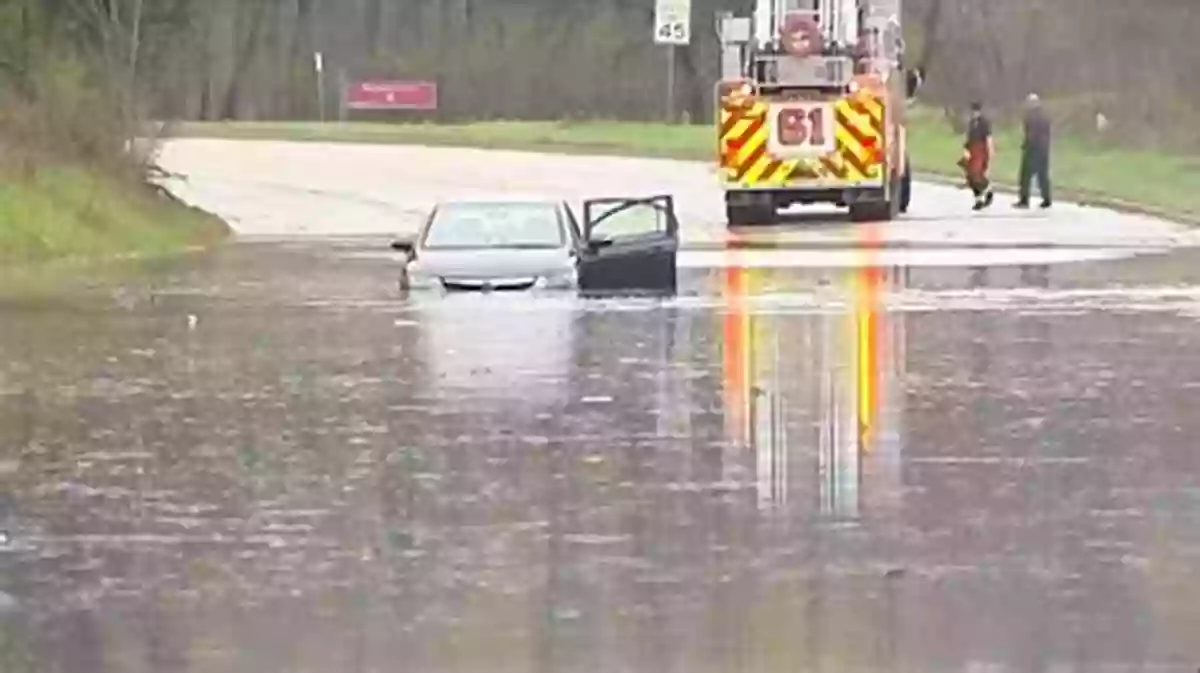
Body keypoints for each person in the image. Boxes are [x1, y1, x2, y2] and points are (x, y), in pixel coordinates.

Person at [1016, 93, 1052, 209]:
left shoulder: (1029, 117)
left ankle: (1024, 200)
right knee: (1043, 176)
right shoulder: (1045, 116)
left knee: (1025, 176)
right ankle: (1047, 199)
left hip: (1032, 149)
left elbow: (1030, 134)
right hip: (1044, 150)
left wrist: (1026, 146)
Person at [962, 101, 994, 211]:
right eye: (973, 112)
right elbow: (969, 138)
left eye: (976, 112)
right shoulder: (971, 123)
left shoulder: (984, 123)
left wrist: (990, 152)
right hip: (972, 150)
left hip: (981, 150)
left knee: (977, 175)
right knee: (971, 176)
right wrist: (966, 149)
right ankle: (981, 197)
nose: (974, 114)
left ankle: (985, 193)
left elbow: (988, 138)